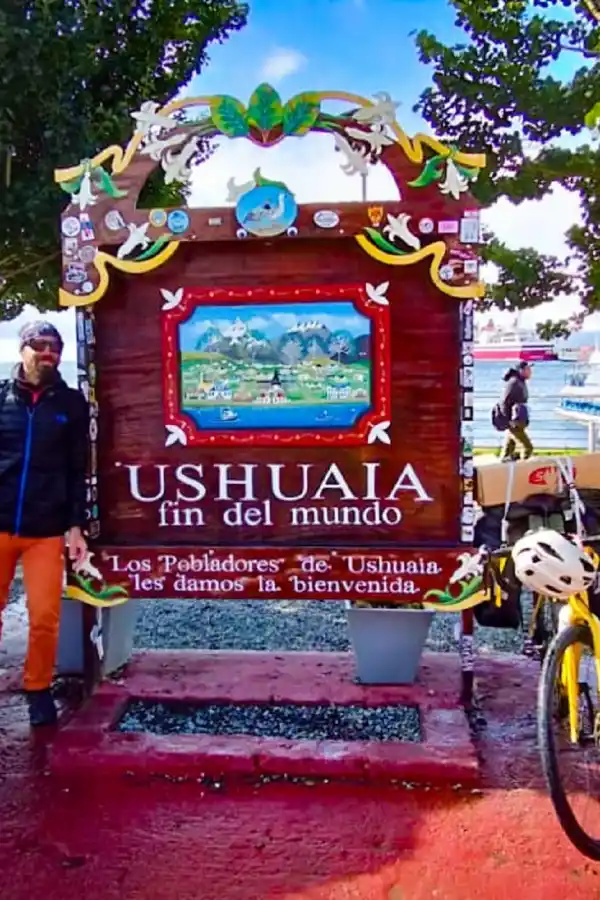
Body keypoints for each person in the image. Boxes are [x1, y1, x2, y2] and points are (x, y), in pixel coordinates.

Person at [0, 321, 88, 726]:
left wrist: (75, 525)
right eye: (40, 344)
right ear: (23, 350)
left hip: (46, 529)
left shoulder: (71, 404)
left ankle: (37, 688)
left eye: (55, 345)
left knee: (44, 616)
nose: (48, 352)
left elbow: (77, 470)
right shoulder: (2, 398)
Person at [500, 360, 534, 461]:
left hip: (518, 421)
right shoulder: (514, 382)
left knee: (509, 447)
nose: (530, 372)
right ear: (521, 370)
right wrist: (508, 420)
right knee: (527, 447)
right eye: (528, 369)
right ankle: (524, 469)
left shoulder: (520, 381)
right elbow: (505, 402)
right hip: (515, 422)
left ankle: (502, 466)